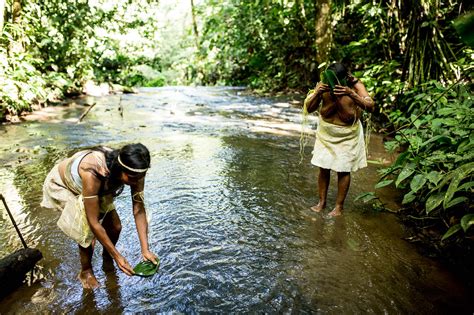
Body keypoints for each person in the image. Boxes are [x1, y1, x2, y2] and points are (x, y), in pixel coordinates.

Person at [41, 143, 158, 289]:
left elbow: (139, 209)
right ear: (121, 169)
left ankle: (107, 257)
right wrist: (118, 256)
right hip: (66, 185)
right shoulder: (94, 172)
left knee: (115, 227)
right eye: (133, 178)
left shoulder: (136, 172)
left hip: (100, 187)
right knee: (87, 235)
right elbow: (93, 222)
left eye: (141, 176)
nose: (137, 182)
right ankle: (86, 271)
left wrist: (145, 250)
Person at [304, 63, 374, 217]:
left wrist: (352, 94)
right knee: (323, 166)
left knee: (343, 169)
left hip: (347, 134)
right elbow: (309, 108)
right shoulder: (323, 85)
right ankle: (321, 203)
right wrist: (316, 93)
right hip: (326, 132)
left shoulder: (355, 85)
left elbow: (370, 106)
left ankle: (338, 207)